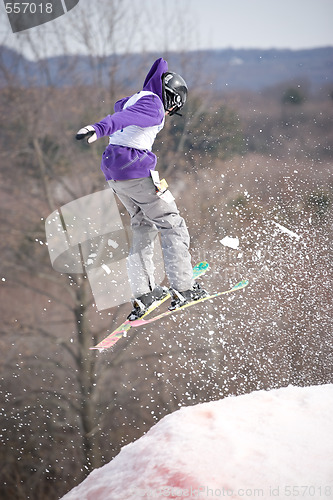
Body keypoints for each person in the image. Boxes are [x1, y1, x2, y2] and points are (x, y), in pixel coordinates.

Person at [76, 57, 207, 319]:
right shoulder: (154, 104)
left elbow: (122, 109)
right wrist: (98, 128)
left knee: (143, 224)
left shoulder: (138, 97)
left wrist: (102, 128)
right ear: (171, 98)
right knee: (172, 223)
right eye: (173, 109)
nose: (169, 115)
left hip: (115, 175)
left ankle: (145, 292)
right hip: (136, 170)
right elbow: (123, 117)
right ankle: (183, 287)